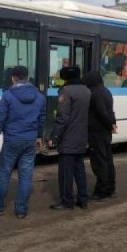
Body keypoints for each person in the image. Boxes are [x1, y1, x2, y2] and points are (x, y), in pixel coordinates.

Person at [0, 66, 46, 219]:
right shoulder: (40, 97)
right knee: (26, 175)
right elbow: (42, 119)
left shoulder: (8, 96)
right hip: (30, 141)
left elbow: (0, 118)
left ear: (12, 78)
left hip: (12, 140)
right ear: (28, 78)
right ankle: (21, 210)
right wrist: (39, 137)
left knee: (4, 173)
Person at [48, 66, 91, 210]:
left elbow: (62, 117)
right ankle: (83, 199)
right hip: (81, 136)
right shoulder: (86, 90)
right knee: (79, 170)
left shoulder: (66, 91)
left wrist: (54, 136)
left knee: (66, 172)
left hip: (68, 137)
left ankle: (67, 201)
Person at [83, 71, 117, 202]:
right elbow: (110, 112)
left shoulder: (95, 94)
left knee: (99, 162)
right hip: (105, 133)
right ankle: (110, 188)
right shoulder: (106, 91)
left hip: (97, 132)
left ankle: (101, 191)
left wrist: (110, 124)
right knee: (108, 161)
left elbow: (102, 113)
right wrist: (112, 124)